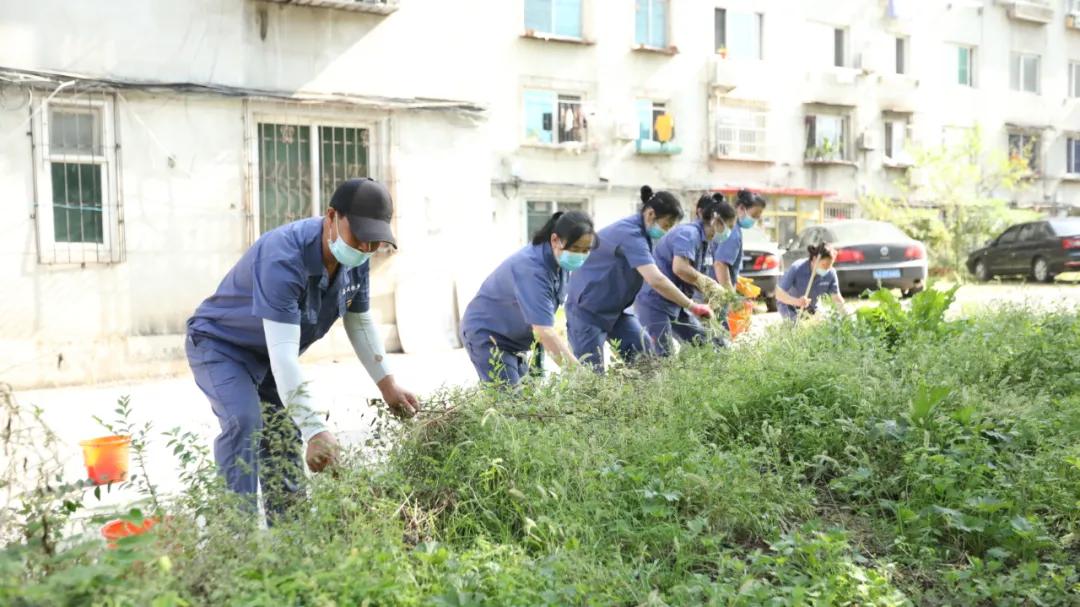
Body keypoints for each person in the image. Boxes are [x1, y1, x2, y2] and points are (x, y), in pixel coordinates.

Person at [185, 178, 419, 519]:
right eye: (360, 238)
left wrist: (388, 385)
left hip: (270, 357)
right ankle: (236, 540)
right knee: (246, 423)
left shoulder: (355, 260)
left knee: (282, 433)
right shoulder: (283, 256)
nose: (367, 250)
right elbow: (283, 357)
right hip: (223, 346)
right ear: (331, 217)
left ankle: (291, 536)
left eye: (375, 243)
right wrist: (316, 429)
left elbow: (359, 320)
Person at [565, 186, 713, 371]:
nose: (666, 231)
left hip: (617, 311)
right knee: (591, 376)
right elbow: (656, 280)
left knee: (646, 359)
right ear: (650, 214)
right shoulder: (630, 234)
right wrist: (692, 305)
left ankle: (648, 398)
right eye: (666, 225)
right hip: (587, 310)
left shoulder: (643, 235)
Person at [460, 211, 596, 385]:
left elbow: (541, 322)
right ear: (555, 240)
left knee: (530, 401)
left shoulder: (559, 263)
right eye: (575, 249)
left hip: (517, 340)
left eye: (586, 250)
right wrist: (582, 377)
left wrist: (538, 370)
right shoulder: (532, 268)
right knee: (511, 404)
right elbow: (544, 331)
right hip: (489, 337)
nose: (580, 256)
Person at [635, 195, 736, 355]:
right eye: (729, 226)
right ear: (716, 222)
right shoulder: (689, 234)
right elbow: (680, 268)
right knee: (662, 356)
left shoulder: (706, 242)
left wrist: (709, 298)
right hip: (655, 301)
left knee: (705, 344)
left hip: (677, 302)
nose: (730, 232)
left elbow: (692, 276)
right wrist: (710, 284)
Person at [776, 242, 848, 322]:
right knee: (798, 328)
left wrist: (847, 318)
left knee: (821, 325)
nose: (826, 269)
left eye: (830, 265)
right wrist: (797, 302)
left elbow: (836, 298)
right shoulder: (797, 268)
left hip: (811, 307)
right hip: (789, 305)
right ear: (814, 259)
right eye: (824, 265)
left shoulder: (830, 273)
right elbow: (779, 294)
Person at [712, 189, 767, 291]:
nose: (755, 220)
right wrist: (731, 297)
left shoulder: (730, 228)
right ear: (741, 208)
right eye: (754, 215)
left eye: (758, 217)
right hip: (716, 293)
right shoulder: (733, 232)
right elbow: (720, 265)